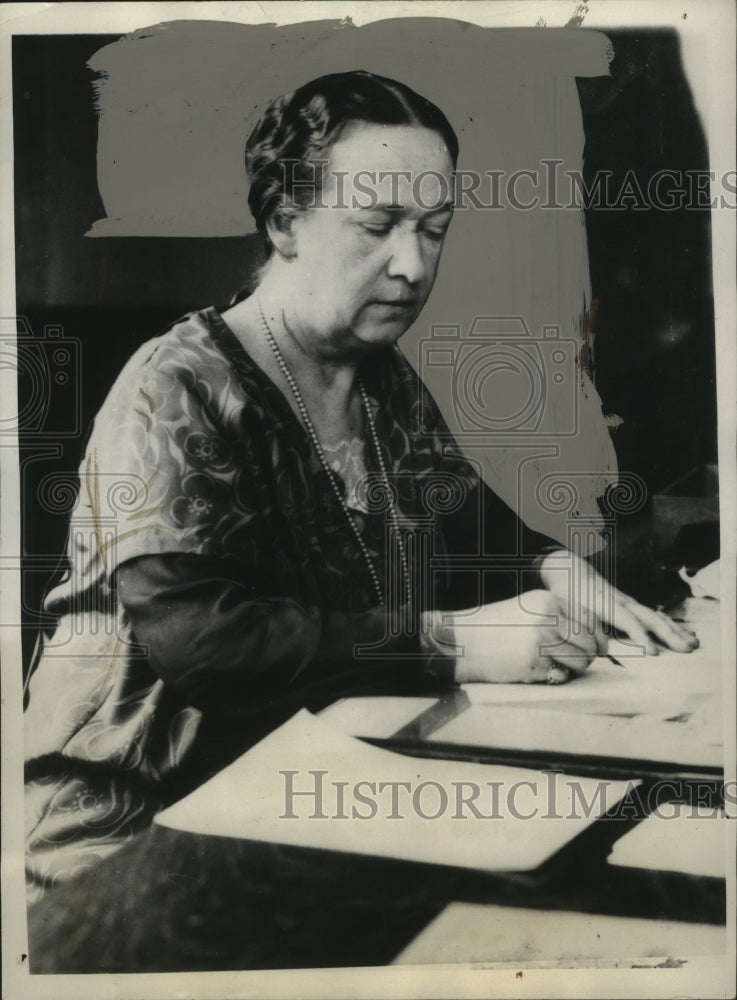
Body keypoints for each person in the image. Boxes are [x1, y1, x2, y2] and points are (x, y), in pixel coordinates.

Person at [24, 70, 697, 901]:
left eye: (434, 229)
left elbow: (469, 519)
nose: (410, 266)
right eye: (376, 226)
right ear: (285, 221)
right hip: (133, 836)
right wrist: (456, 641)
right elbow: (206, 643)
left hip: (316, 783)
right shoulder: (178, 387)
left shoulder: (379, 380)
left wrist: (555, 568)